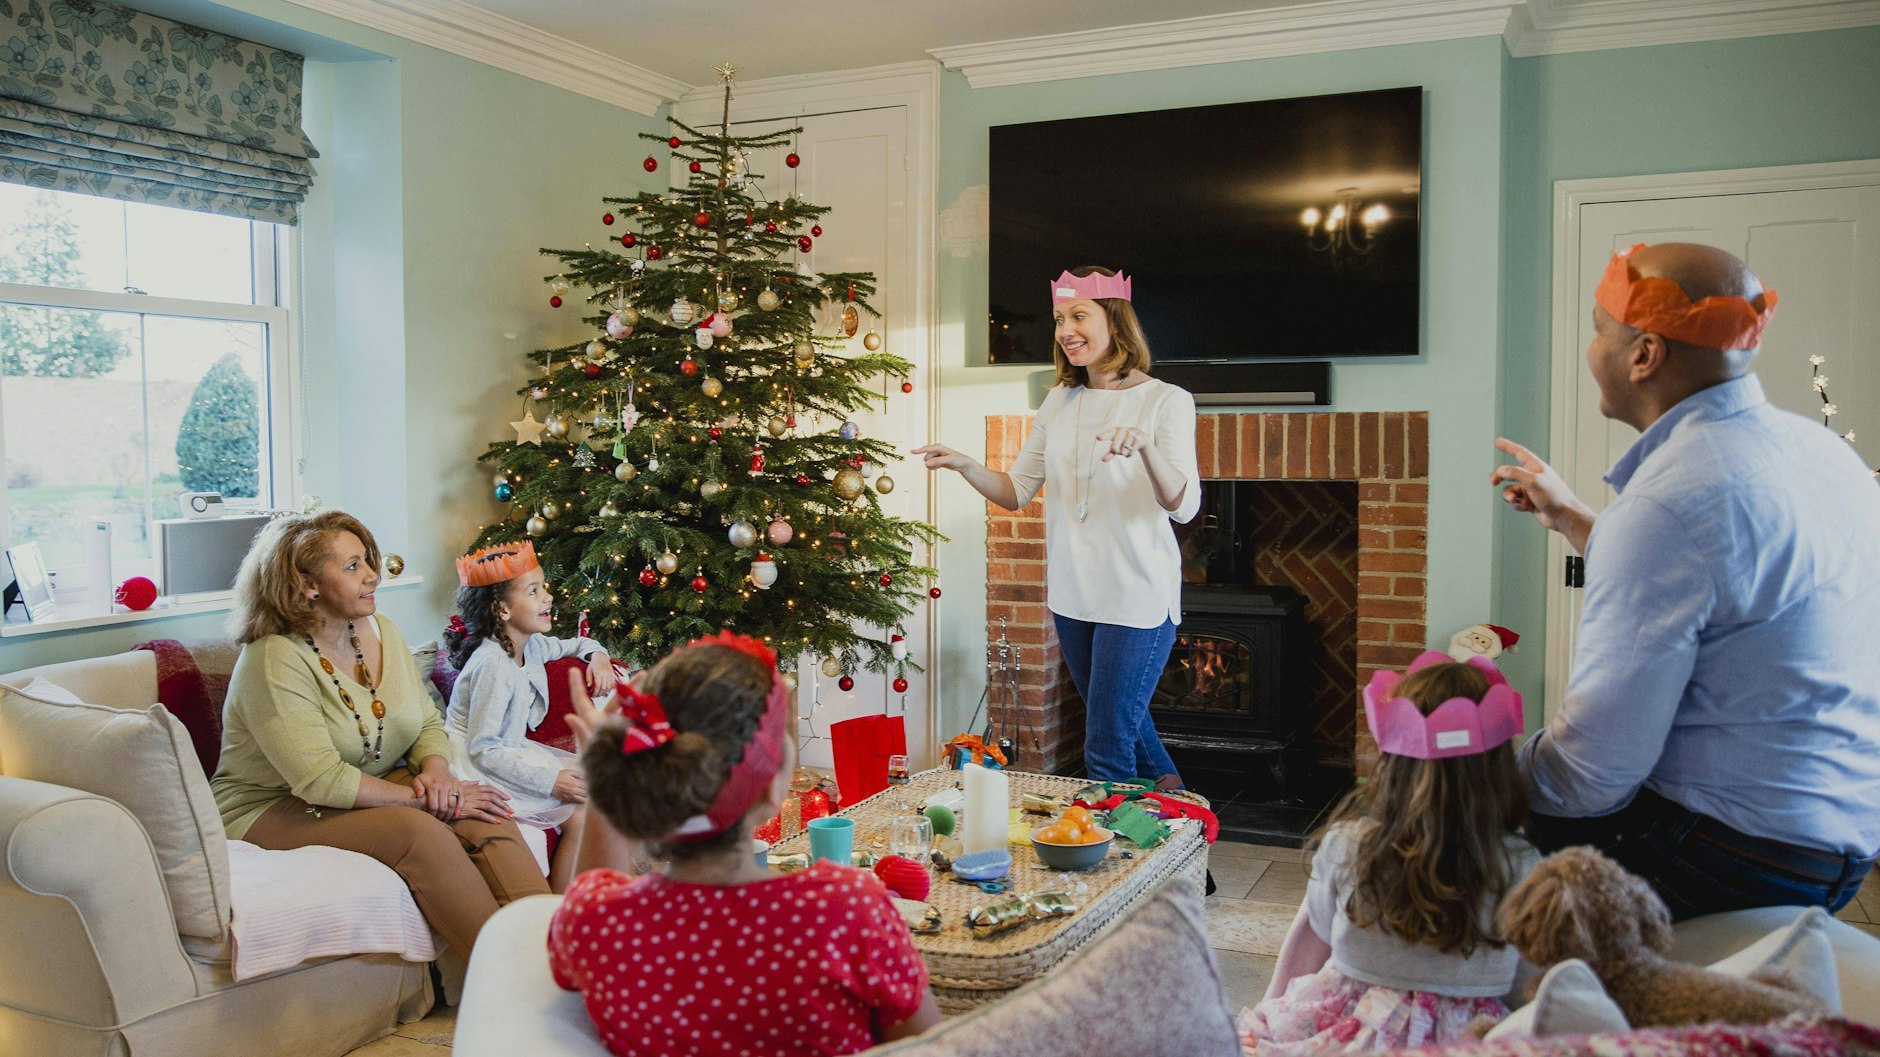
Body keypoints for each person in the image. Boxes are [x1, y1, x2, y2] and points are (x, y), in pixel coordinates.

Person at [1492, 242, 1880, 919]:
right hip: (1841, 838)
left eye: (1597, 329)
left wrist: (1474, 777)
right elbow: (1730, 586)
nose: (1591, 351)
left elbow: (1590, 776)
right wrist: (1575, 517)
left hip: (1735, 854)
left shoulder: (1667, 506)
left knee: (1472, 844)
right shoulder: (1821, 450)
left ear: (1643, 354)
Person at [547, 632, 942, 1057]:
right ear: (773, 790)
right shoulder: (847, 911)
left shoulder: (596, 923)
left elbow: (592, 890)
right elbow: (930, 1048)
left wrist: (607, 783)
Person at [213, 510, 550, 957]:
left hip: (366, 780)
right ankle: (516, 978)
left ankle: (560, 956)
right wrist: (424, 799)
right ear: (307, 583)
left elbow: (427, 721)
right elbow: (320, 780)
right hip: (272, 805)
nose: (373, 575)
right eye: (353, 566)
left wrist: (439, 774)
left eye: (369, 561)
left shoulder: (381, 630)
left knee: (485, 809)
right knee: (419, 833)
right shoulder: (273, 659)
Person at [914, 266, 1201, 784]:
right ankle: (1187, 850)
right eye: (1058, 319)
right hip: (1073, 597)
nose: (1066, 329)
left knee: (1107, 750)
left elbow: (1183, 504)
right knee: (1132, 734)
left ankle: (1102, 861)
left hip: (1136, 597)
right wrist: (966, 465)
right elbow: (1017, 491)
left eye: (1079, 316)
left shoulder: (1166, 401)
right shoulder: (1059, 401)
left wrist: (1146, 447)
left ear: (1115, 321)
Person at [1240, 656, 1536, 1054]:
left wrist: (1269, 1009)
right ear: (1498, 767)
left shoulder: (1350, 844)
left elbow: (1316, 934)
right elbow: (1529, 984)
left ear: (1393, 762)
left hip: (1352, 1028)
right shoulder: (1522, 864)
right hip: (1468, 1038)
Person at [443, 540, 617, 892]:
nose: (548, 597)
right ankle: (556, 912)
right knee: (581, 811)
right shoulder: (493, 664)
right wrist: (549, 783)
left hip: (509, 749)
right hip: (477, 763)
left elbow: (575, 644)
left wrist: (598, 654)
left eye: (544, 587)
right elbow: (484, 749)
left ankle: (575, 905)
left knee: (594, 800)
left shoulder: (531, 644)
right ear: (503, 610)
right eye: (534, 591)